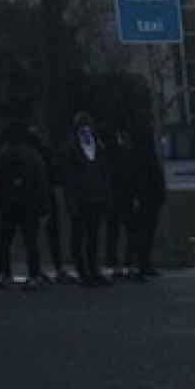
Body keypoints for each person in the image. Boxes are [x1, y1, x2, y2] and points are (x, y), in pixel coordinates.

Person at [0, 120, 46, 291]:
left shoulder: (2, 154)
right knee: (31, 242)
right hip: (29, 203)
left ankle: (3, 274)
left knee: (4, 241)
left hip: (8, 203)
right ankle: (33, 275)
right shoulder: (33, 155)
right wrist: (43, 205)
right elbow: (41, 181)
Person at [63, 112, 113, 287]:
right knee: (79, 237)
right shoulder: (72, 149)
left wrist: (106, 196)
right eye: (82, 128)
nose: (86, 131)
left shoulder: (98, 146)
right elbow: (69, 179)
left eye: (88, 127)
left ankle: (93, 270)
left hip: (96, 199)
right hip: (81, 200)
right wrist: (72, 203)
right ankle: (83, 272)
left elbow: (104, 173)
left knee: (93, 236)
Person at [29, 126, 73, 284]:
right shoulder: (45, 152)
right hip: (47, 196)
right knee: (52, 234)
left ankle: (37, 268)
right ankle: (58, 266)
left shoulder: (29, 154)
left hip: (32, 198)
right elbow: (55, 174)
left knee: (35, 236)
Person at [126, 126, 167, 280]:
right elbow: (140, 178)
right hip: (145, 198)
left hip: (148, 198)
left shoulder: (141, 154)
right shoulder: (140, 155)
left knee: (146, 233)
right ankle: (141, 265)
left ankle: (144, 264)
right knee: (143, 234)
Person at [102, 128, 137, 281]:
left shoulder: (102, 155)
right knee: (129, 232)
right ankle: (128, 265)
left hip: (111, 199)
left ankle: (115, 266)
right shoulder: (125, 153)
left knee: (112, 233)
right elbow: (129, 176)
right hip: (125, 197)